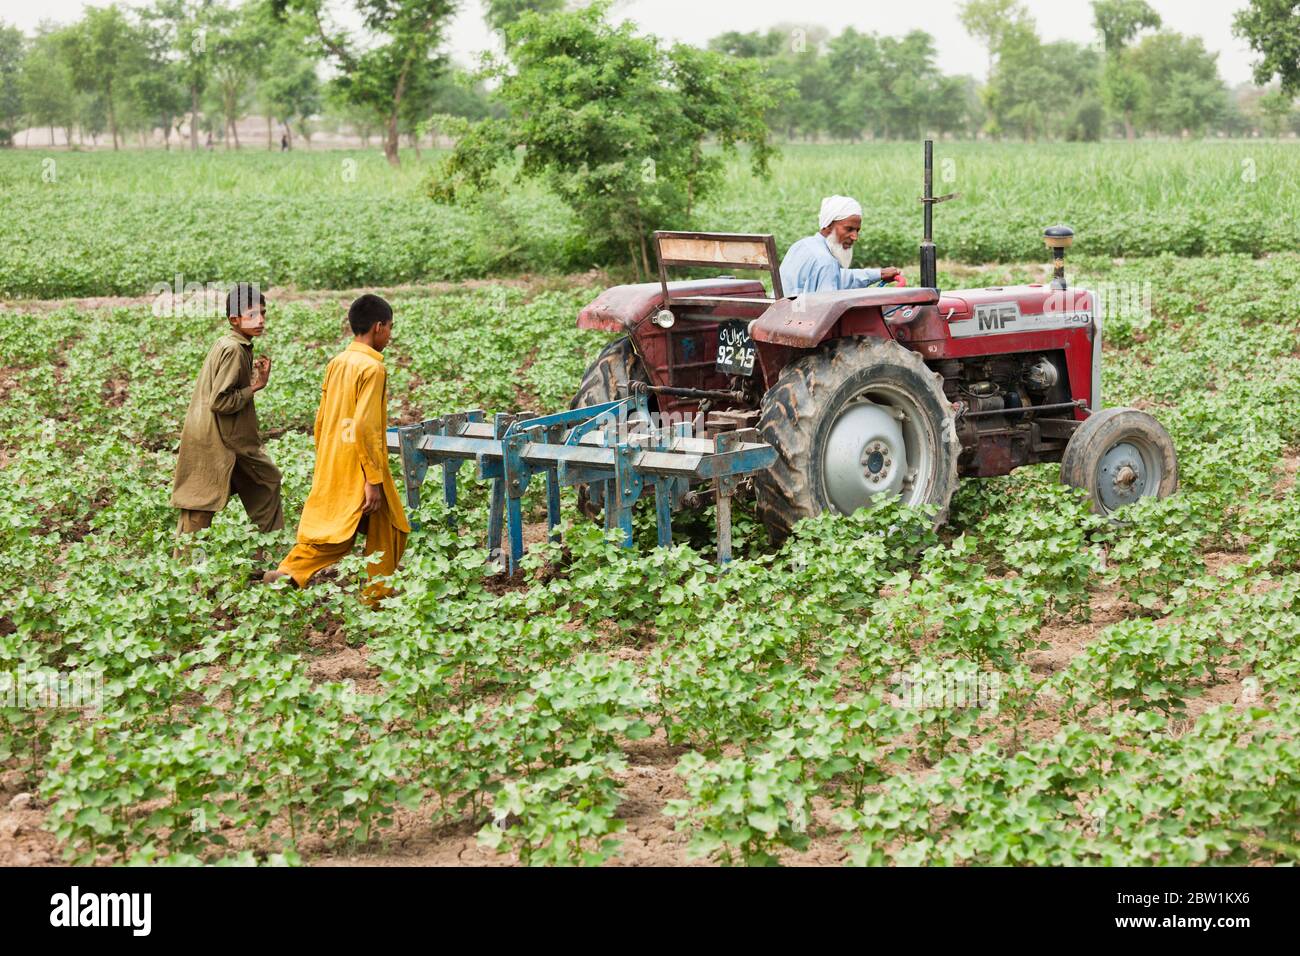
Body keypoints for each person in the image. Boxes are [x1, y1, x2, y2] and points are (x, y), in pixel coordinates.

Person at [264, 294, 410, 603]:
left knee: (350, 528)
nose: (390, 335)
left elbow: (322, 419)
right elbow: (365, 426)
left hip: (336, 457)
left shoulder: (338, 362)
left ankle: (291, 572)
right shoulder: (372, 368)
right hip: (363, 464)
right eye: (390, 328)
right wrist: (372, 480)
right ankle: (374, 599)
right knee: (384, 530)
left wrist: (326, 458)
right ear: (379, 326)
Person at [171, 284, 283, 549]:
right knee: (199, 507)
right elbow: (221, 400)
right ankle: (189, 574)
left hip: (221, 436)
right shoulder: (234, 349)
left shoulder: (230, 343)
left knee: (265, 482)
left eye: (264, 314)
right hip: (221, 439)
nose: (261, 320)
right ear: (234, 319)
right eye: (253, 315)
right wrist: (255, 387)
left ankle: (265, 559)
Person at [778, 195, 900, 295]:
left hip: (781, 317)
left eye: (857, 230)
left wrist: (879, 274)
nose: (855, 237)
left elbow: (840, 276)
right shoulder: (826, 262)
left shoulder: (801, 246)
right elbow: (828, 311)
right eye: (849, 229)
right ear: (828, 225)